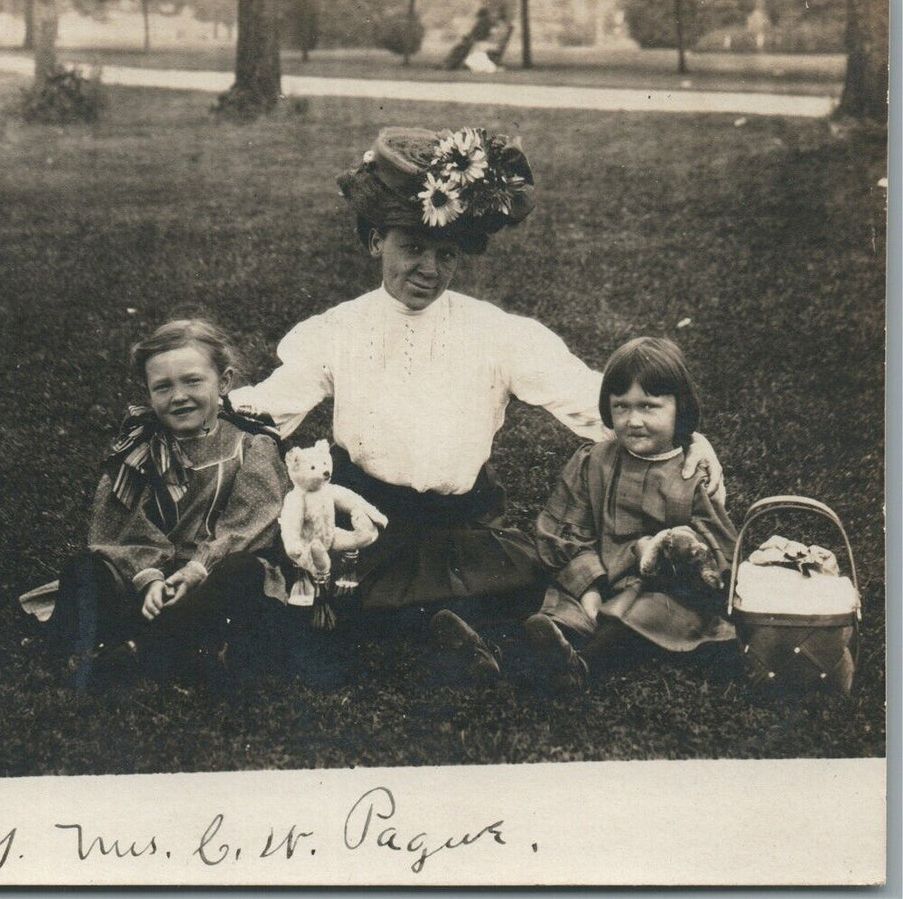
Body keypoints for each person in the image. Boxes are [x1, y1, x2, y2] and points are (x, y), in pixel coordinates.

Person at [229, 127, 722, 684]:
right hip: (371, 518)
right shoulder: (340, 330)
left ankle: (462, 637)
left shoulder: (494, 332)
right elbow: (269, 409)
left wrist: (683, 438)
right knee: (344, 597)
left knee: (525, 574)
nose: (428, 269)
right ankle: (449, 637)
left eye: (445, 254)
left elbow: (592, 401)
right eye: (411, 249)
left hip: (464, 520)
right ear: (375, 244)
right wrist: (202, 417)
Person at [48, 319, 289, 691]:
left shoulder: (251, 446)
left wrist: (196, 569)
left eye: (193, 381)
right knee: (86, 570)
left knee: (243, 574)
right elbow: (121, 527)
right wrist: (150, 578)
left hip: (211, 573)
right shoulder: (138, 451)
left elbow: (251, 522)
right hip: (149, 580)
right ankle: (121, 647)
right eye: (163, 387)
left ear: (223, 382)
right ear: (148, 393)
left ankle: (146, 650)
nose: (179, 396)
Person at [525, 337, 739, 689]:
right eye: (621, 407)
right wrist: (589, 587)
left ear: (679, 409)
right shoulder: (592, 462)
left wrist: (673, 550)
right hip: (598, 578)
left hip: (658, 592)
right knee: (560, 607)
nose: (633, 420)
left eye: (649, 407)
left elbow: (717, 550)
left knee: (643, 616)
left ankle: (581, 668)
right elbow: (565, 529)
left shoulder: (690, 474)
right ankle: (515, 652)